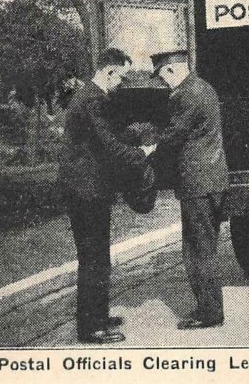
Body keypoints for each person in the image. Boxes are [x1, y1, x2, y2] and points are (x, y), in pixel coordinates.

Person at [58, 48, 152, 344]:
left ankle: (97, 316)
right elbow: (108, 145)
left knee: (97, 256)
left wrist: (133, 137)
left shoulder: (89, 96)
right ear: (109, 72)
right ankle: (91, 328)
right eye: (121, 78)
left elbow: (104, 140)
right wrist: (141, 153)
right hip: (87, 192)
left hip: (86, 189)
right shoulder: (93, 100)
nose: (121, 84)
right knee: (94, 258)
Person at [150, 49, 229, 330]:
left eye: (162, 78)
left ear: (170, 71)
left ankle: (208, 313)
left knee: (197, 250)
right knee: (205, 247)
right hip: (213, 179)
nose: (163, 84)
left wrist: (149, 150)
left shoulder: (185, 95)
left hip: (197, 183)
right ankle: (209, 307)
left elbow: (172, 135)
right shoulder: (204, 87)